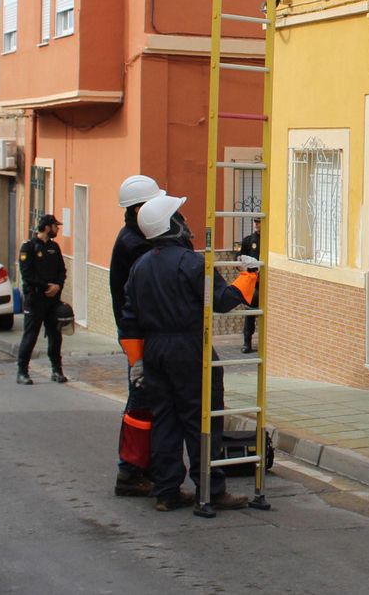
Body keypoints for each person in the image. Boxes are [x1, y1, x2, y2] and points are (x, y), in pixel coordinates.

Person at [120, 193, 256, 512]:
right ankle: (211, 489)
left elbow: (129, 320)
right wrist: (249, 274)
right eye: (180, 218)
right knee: (201, 419)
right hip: (188, 348)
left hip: (153, 351)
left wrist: (136, 362)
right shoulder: (193, 263)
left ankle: (166, 491)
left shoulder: (140, 266)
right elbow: (223, 301)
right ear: (172, 226)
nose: (186, 223)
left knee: (165, 420)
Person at [109, 174, 164, 496]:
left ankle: (142, 467)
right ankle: (130, 471)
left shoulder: (132, 238)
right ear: (139, 209)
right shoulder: (137, 244)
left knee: (148, 402)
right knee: (142, 402)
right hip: (140, 337)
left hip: (138, 334)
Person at [15, 214, 67, 385]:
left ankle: (57, 370)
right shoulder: (28, 247)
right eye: (55, 226)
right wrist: (46, 287)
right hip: (35, 298)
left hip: (52, 301)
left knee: (55, 335)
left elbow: (62, 270)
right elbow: (27, 274)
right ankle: (22, 371)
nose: (57, 229)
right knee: (31, 335)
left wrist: (58, 286)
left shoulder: (54, 247)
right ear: (47, 227)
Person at [237, 218, 260, 354]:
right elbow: (238, 258)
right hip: (253, 282)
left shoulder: (269, 241)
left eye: (259, 222)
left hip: (267, 282)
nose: (257, 225)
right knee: (250, 312)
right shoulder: (248, 240)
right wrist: (245, 271)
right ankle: (247, 342)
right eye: (255, 222)